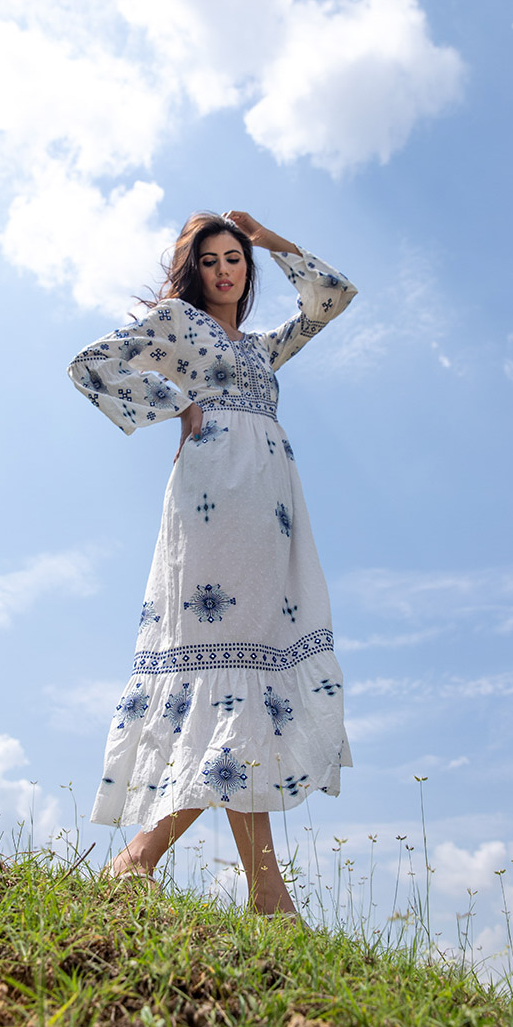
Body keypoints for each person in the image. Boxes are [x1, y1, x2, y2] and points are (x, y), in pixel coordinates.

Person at [67, 210, 357, 917]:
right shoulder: (177, 323)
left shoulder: (262, 348)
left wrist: (273, 241)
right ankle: (257, 892)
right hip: (212, 498)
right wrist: (175, 404)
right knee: (226, 668)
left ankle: (157, 864)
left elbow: (332, 297)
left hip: (272, 504)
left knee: (249, 670)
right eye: (210, 261)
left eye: (234, 260)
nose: (224, 270)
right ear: (193, 272)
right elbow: (90, 365)